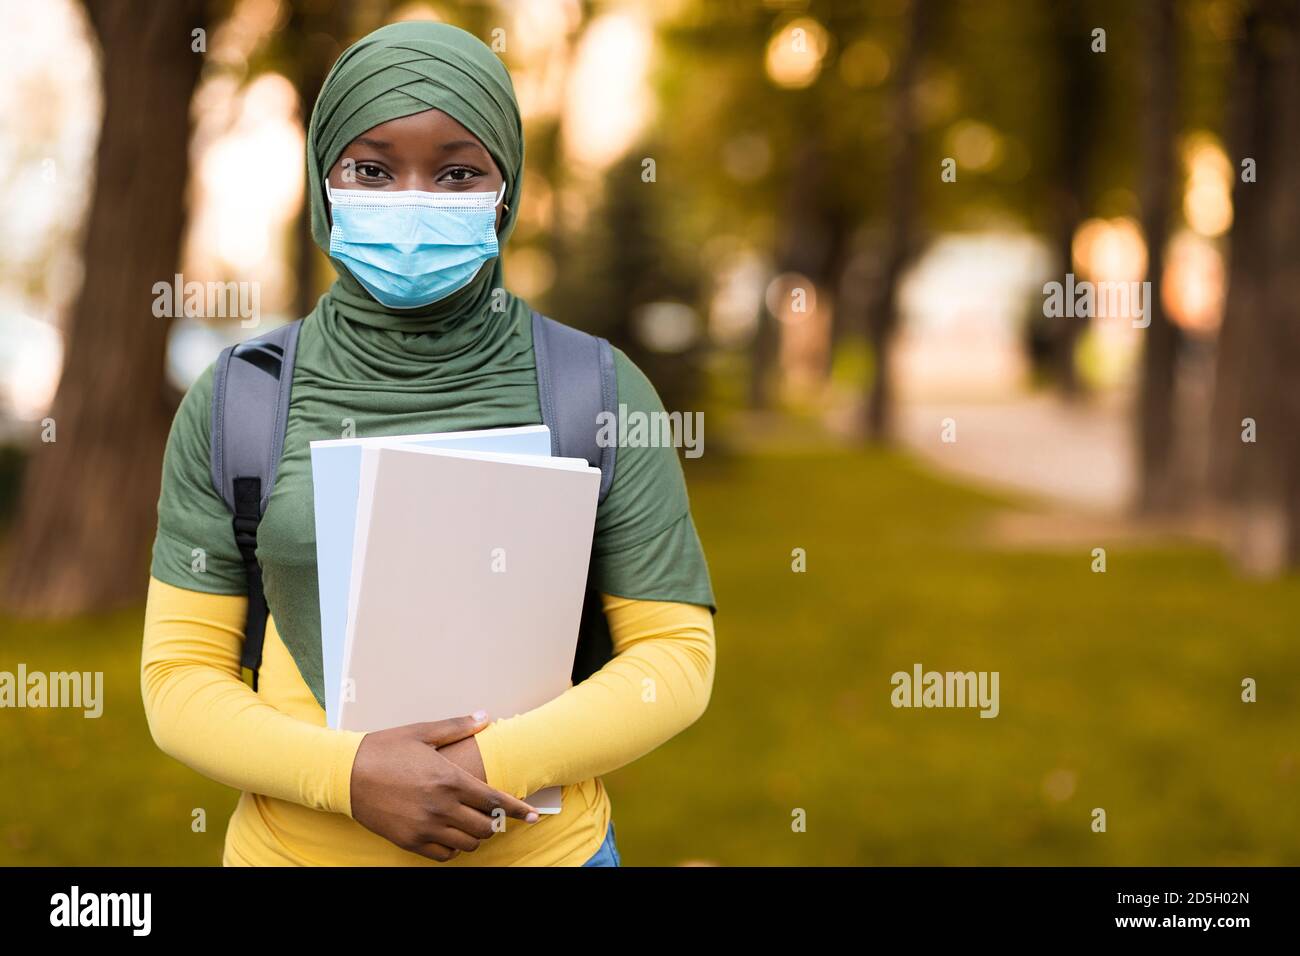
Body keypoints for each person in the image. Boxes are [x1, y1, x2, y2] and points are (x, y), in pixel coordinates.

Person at [140, 20, 716, 867]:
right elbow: (178, 681)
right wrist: (350, 775)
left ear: (505, 191)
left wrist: (485, 766)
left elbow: (674, 658)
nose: (413, 197)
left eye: (457, 172)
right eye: (372, 168)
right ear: (323, 181)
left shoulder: (595, 390)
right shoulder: (239, 401)